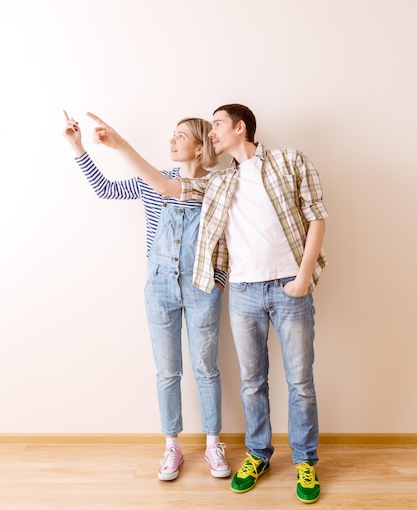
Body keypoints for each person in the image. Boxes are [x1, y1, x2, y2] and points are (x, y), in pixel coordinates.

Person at [79, 104, 328, 504]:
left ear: (240, 127)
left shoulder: (289, 161)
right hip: (242, 292)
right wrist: (112, 143)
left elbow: (317, 216)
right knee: (251, 383)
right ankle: (257, 454)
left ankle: (305, 462)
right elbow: (163, 186)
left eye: (216, 125)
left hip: (286, 287)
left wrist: (302, 278)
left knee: (299, 382)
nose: (212, 133)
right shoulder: (220, 183)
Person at [62, 110, 231, 482]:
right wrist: (78, 148)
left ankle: (213, 444)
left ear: (199, 146)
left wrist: (218, 280)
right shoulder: (153, 181)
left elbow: (229, 240)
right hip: (159, 286)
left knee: (206, 368)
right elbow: (105, 189)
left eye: (180, 135)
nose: (172, 140)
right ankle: (172, 446)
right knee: (167, 371)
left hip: (201, 286)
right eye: (172, 134)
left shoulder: (217, 186)